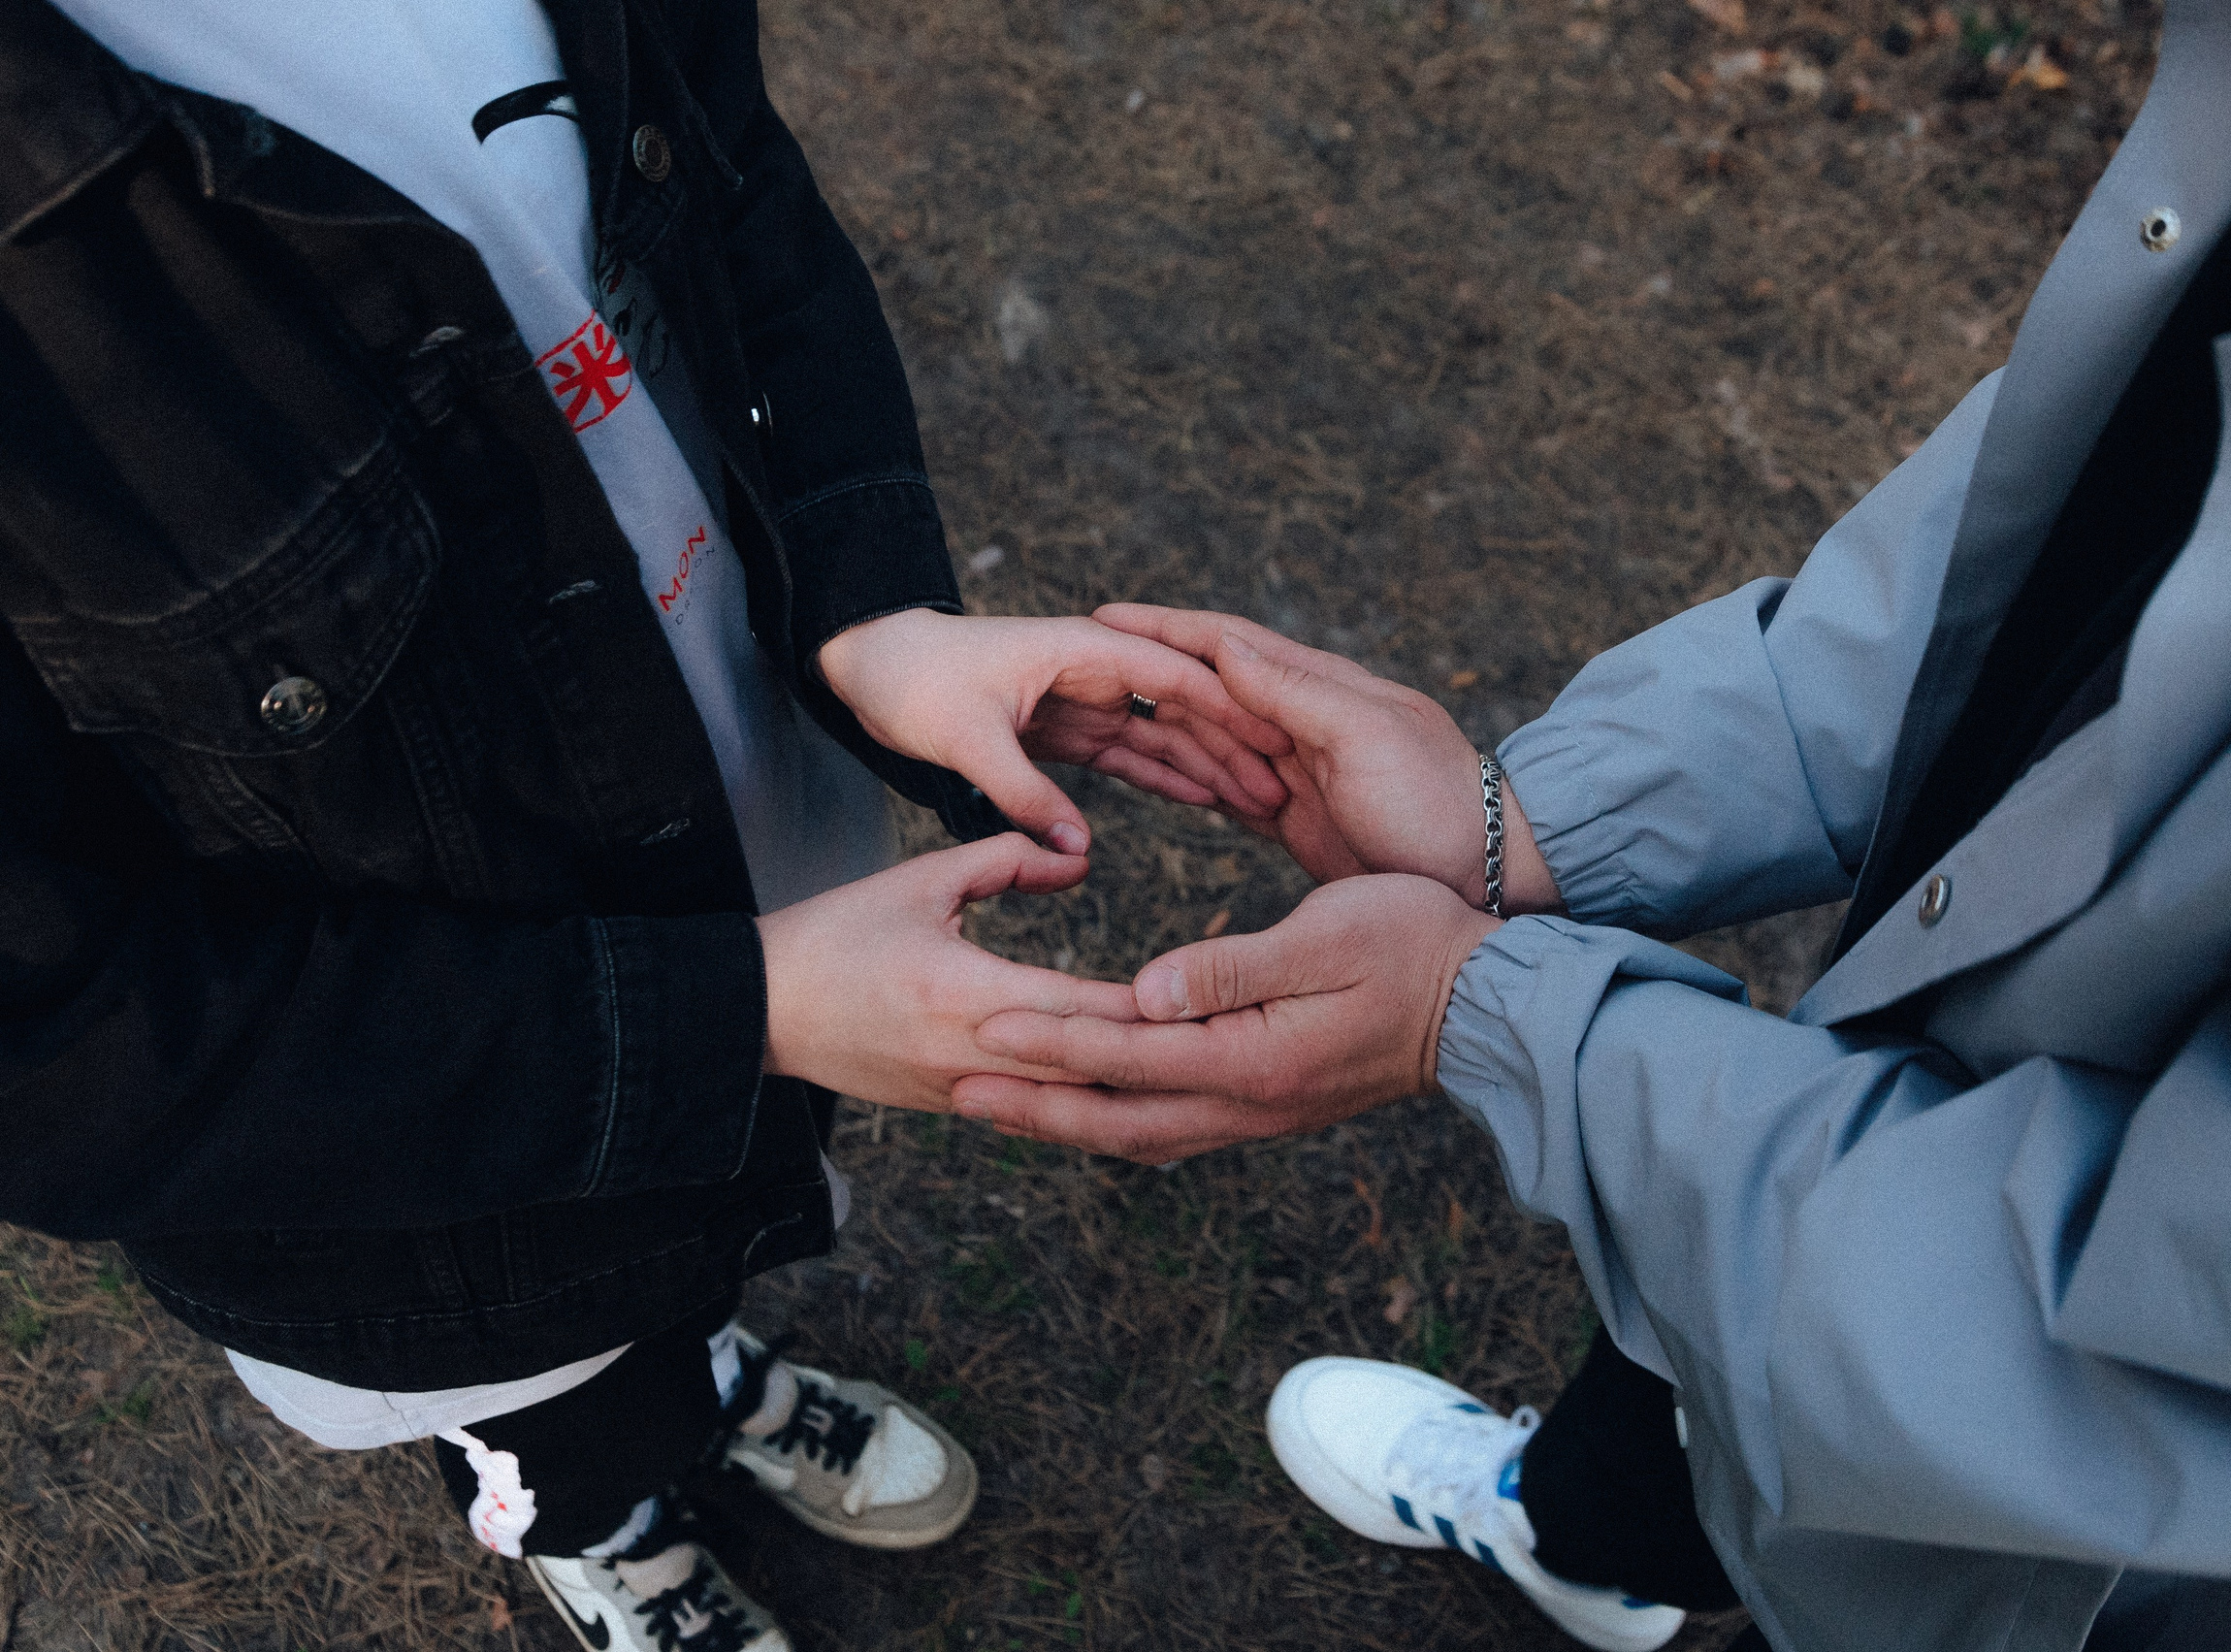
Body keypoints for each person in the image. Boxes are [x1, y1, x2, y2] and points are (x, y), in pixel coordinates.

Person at [953, 1, 2231, 1648]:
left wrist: (1495, 1014)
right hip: (1864, 1159)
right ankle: (1592, 1539)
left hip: (2161, 1575)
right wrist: (1540, 827)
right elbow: (2086, 517)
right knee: (1689, 1387)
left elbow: (2158, 1349)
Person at [0, 3, 1283, 1648]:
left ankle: (704, 1375)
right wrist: (737, 1014)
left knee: (689, 1278)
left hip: (756, 869)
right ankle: (605, 1534)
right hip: (439, 1224)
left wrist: (872, 605)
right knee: (559, 1412)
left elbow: (727, 188)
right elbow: (56, 1048)